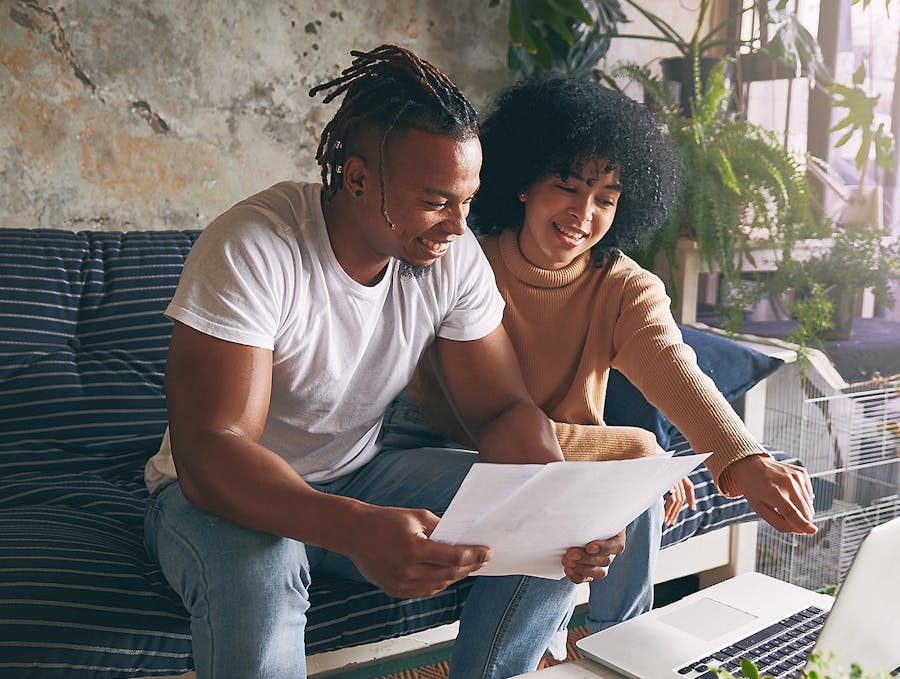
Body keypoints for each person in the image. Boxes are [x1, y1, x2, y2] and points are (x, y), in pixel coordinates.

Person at [142, 45, 625, 679]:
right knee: (267, 569)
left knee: (549, 529)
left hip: (358, 476)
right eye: (435, 200)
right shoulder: (255, 246)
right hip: (212, 496)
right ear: (358, 177)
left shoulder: (449, 254)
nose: (458, 226)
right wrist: (355, 529)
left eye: (468, 201)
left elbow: (502, 407)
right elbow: (213, 451)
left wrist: (554, 503)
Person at [391, 73, 818, 640]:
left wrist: (748, 458)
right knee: (632, 464)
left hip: (560, 462)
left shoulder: (623, 288)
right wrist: (635, 451)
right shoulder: (461, 262)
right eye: (568, 187)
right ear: (524, 181)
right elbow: (472, 423)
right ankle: (622, 640)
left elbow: (676, 372)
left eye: (606, 199)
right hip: (450, 448)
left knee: (624, 473)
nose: (583, 213)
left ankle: (618, 645)